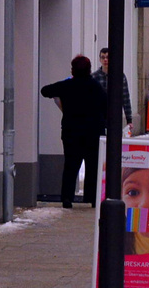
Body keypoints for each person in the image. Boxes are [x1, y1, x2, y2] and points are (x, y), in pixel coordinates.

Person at [40, 55, 106, 207]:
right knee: (92, 166)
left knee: (70, 165)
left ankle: (67, 198)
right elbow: (106, 104)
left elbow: (45, 91)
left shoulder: (67, 85)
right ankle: (91, 198)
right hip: (93, 132)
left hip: (71, 131)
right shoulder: (95, 86)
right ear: (89, 70)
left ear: (73, 69)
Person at [96, 47, 132, 136]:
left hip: (114, 114)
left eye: (108, 57)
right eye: (103, 57)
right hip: (98, 115)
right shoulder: (95, 77)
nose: (105, 60)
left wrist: (129, 120)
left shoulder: (119, 76)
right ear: (100, 59)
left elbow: (125, 98)